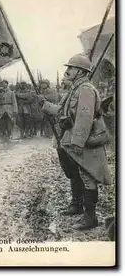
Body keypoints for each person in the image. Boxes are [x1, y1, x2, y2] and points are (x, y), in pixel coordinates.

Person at [40, 54, 112, 230]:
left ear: (80, 71)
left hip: (86, 142)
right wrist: (45, 104)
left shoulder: (85, 90)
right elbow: (62, 110)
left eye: (70, 68)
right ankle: (78, 206)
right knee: (77, 174)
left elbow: (84, 119)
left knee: (88, 177)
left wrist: (77, 144)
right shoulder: (75, 88)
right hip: (75, 139)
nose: (67, 71)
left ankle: (90, 217)